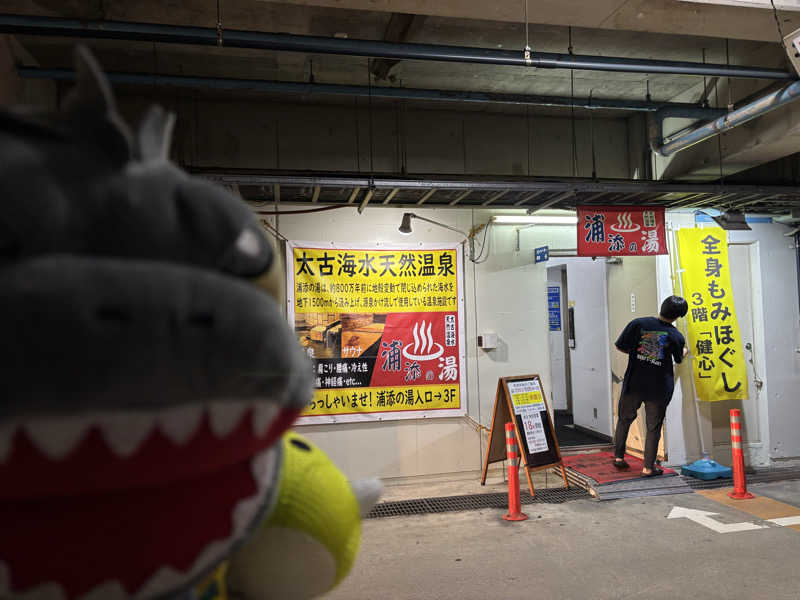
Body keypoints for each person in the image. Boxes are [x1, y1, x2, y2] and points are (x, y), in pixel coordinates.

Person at [612, 295, 688, 477]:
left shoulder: (638, 324)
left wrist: (640, 353)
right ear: (678, 316)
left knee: (624, 419)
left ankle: (619, 458)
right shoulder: (676, 336)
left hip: (634, 383)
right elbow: (679, 358)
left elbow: (620, 346)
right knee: (654, 427)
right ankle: (648, 468)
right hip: (659, 388)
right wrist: (685, 351)